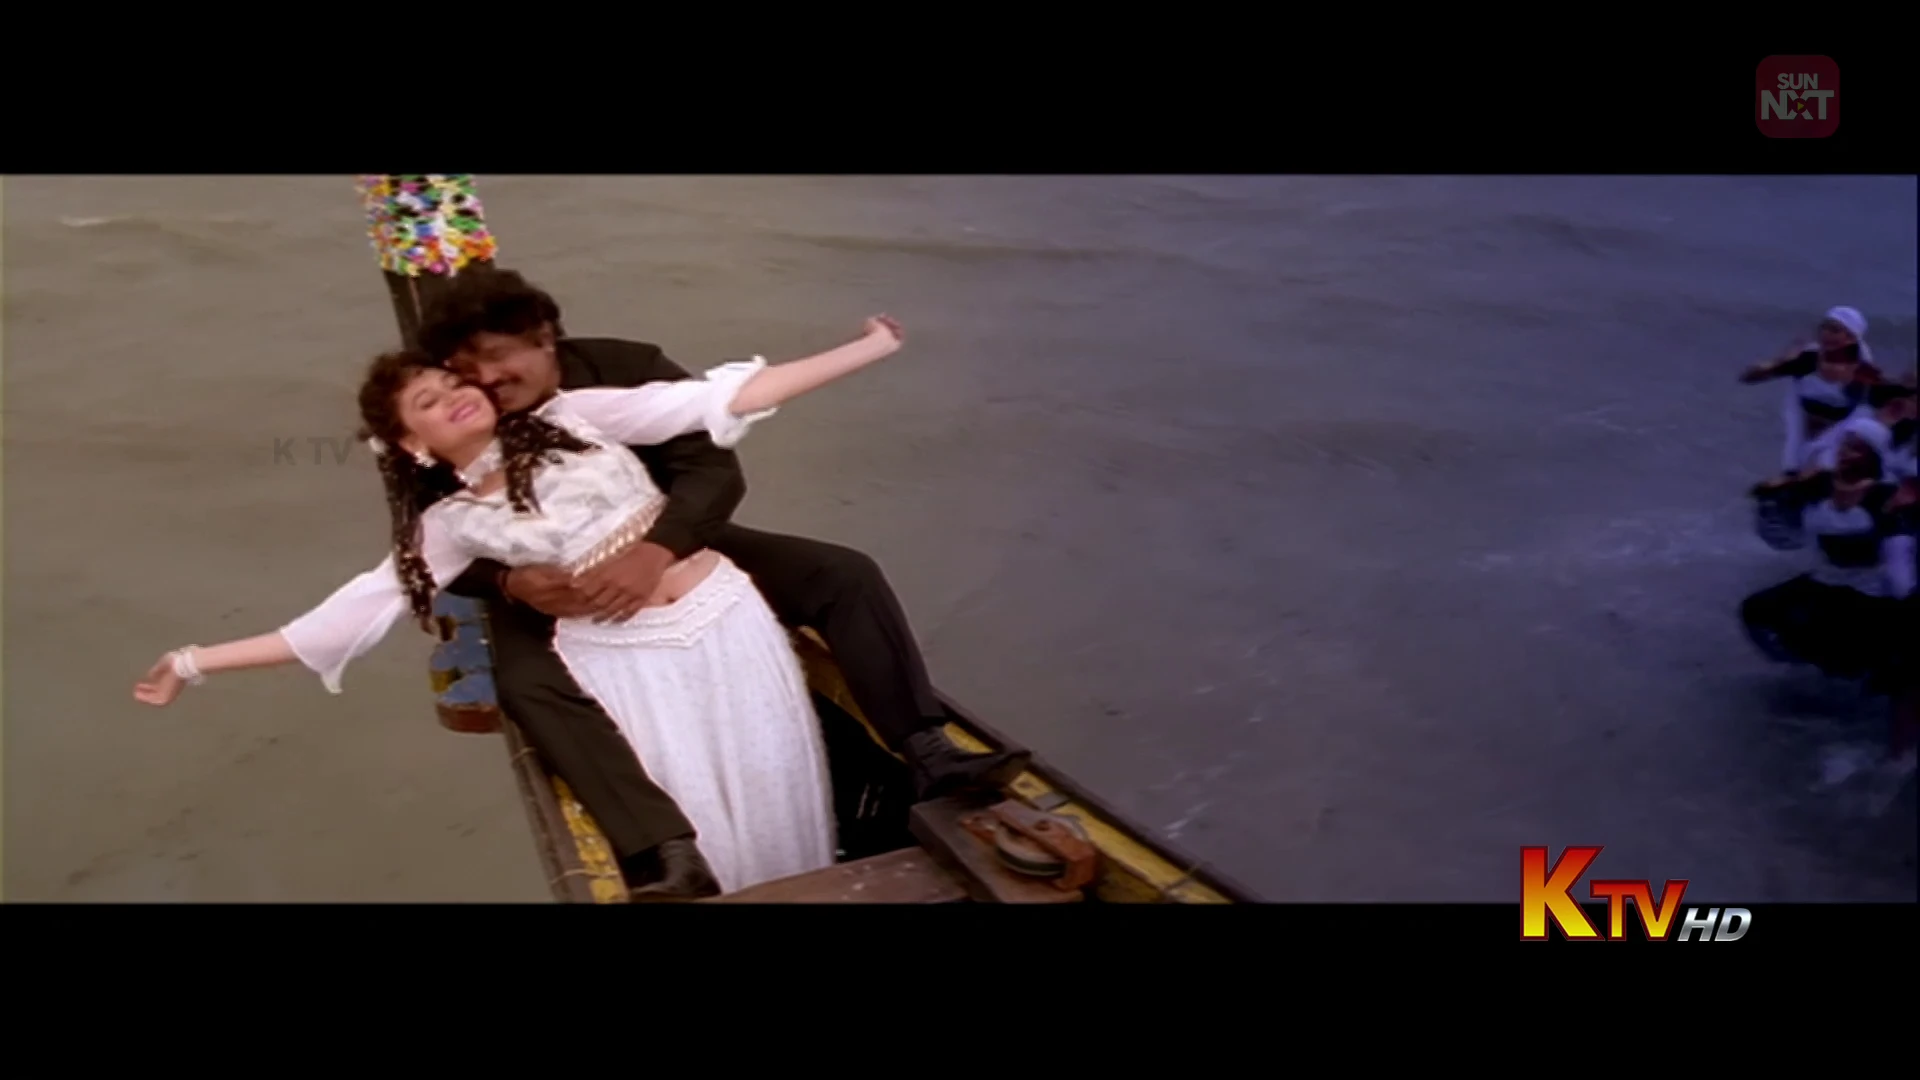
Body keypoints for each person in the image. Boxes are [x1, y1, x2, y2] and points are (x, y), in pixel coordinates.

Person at [134, 317, 920, 896]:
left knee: (773, 780)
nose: (456, 398)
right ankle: (682, 865)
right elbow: (340, 622)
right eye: (430, 402)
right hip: (625, 663)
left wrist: (868, 349)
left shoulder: (574, 416)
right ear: (412, 446)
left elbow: (713, 399)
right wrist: (192, 662)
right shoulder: (448, 525)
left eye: (454, 385)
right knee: (708, 812)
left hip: (724, 619)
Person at [413, 268, 1028, 900]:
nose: (484, 379)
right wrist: (511, 581)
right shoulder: (452, 420)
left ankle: (925, 748)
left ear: (544, 338)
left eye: (497, 356)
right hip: (548, 581)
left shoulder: (626, 368)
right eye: (464, 368)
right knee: (525, 683)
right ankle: (667, 849)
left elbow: (712, 472)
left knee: (843, 574)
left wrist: (656, 550)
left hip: (668, 541)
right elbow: (426, 542)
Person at [1739, 439, 1914, 688]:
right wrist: (1773, 499)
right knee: (1757, 610)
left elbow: (1899, 561)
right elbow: (1787, 537)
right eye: (1844, 447)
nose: (1844, 454)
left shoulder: (1884, 498)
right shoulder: (1819, 488)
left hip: (1868, 591)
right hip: (1826, 580)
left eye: (1856, 449)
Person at [1738, 306, 1883, 476]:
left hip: (1836, 442)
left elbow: (1879, 409)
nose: (1826, 334)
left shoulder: (1861, 373)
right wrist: (1780, 361)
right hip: (1801, 436)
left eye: (1834, 330)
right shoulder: (1808, 360)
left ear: (1851, 338)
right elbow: (1747, 378)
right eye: (1824, 327)